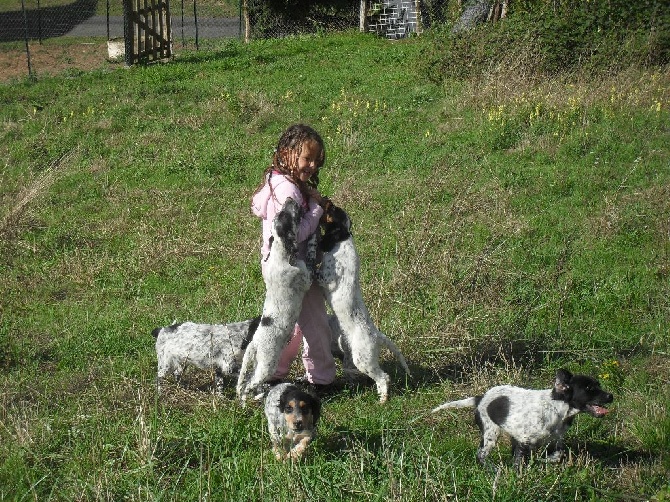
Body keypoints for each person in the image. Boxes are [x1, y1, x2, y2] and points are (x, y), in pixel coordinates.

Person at [250, 123, 336, 388]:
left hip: (275, 266)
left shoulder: (275, 182)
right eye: (306, 158)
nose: (311, 165)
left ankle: (275, 371)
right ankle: (321, 379)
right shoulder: (289, 191)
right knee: (315, 322)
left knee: (288, 322)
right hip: (294, 269)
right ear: (287, 154)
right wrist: (317, 210)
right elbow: (295, 234)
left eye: (315, 160)